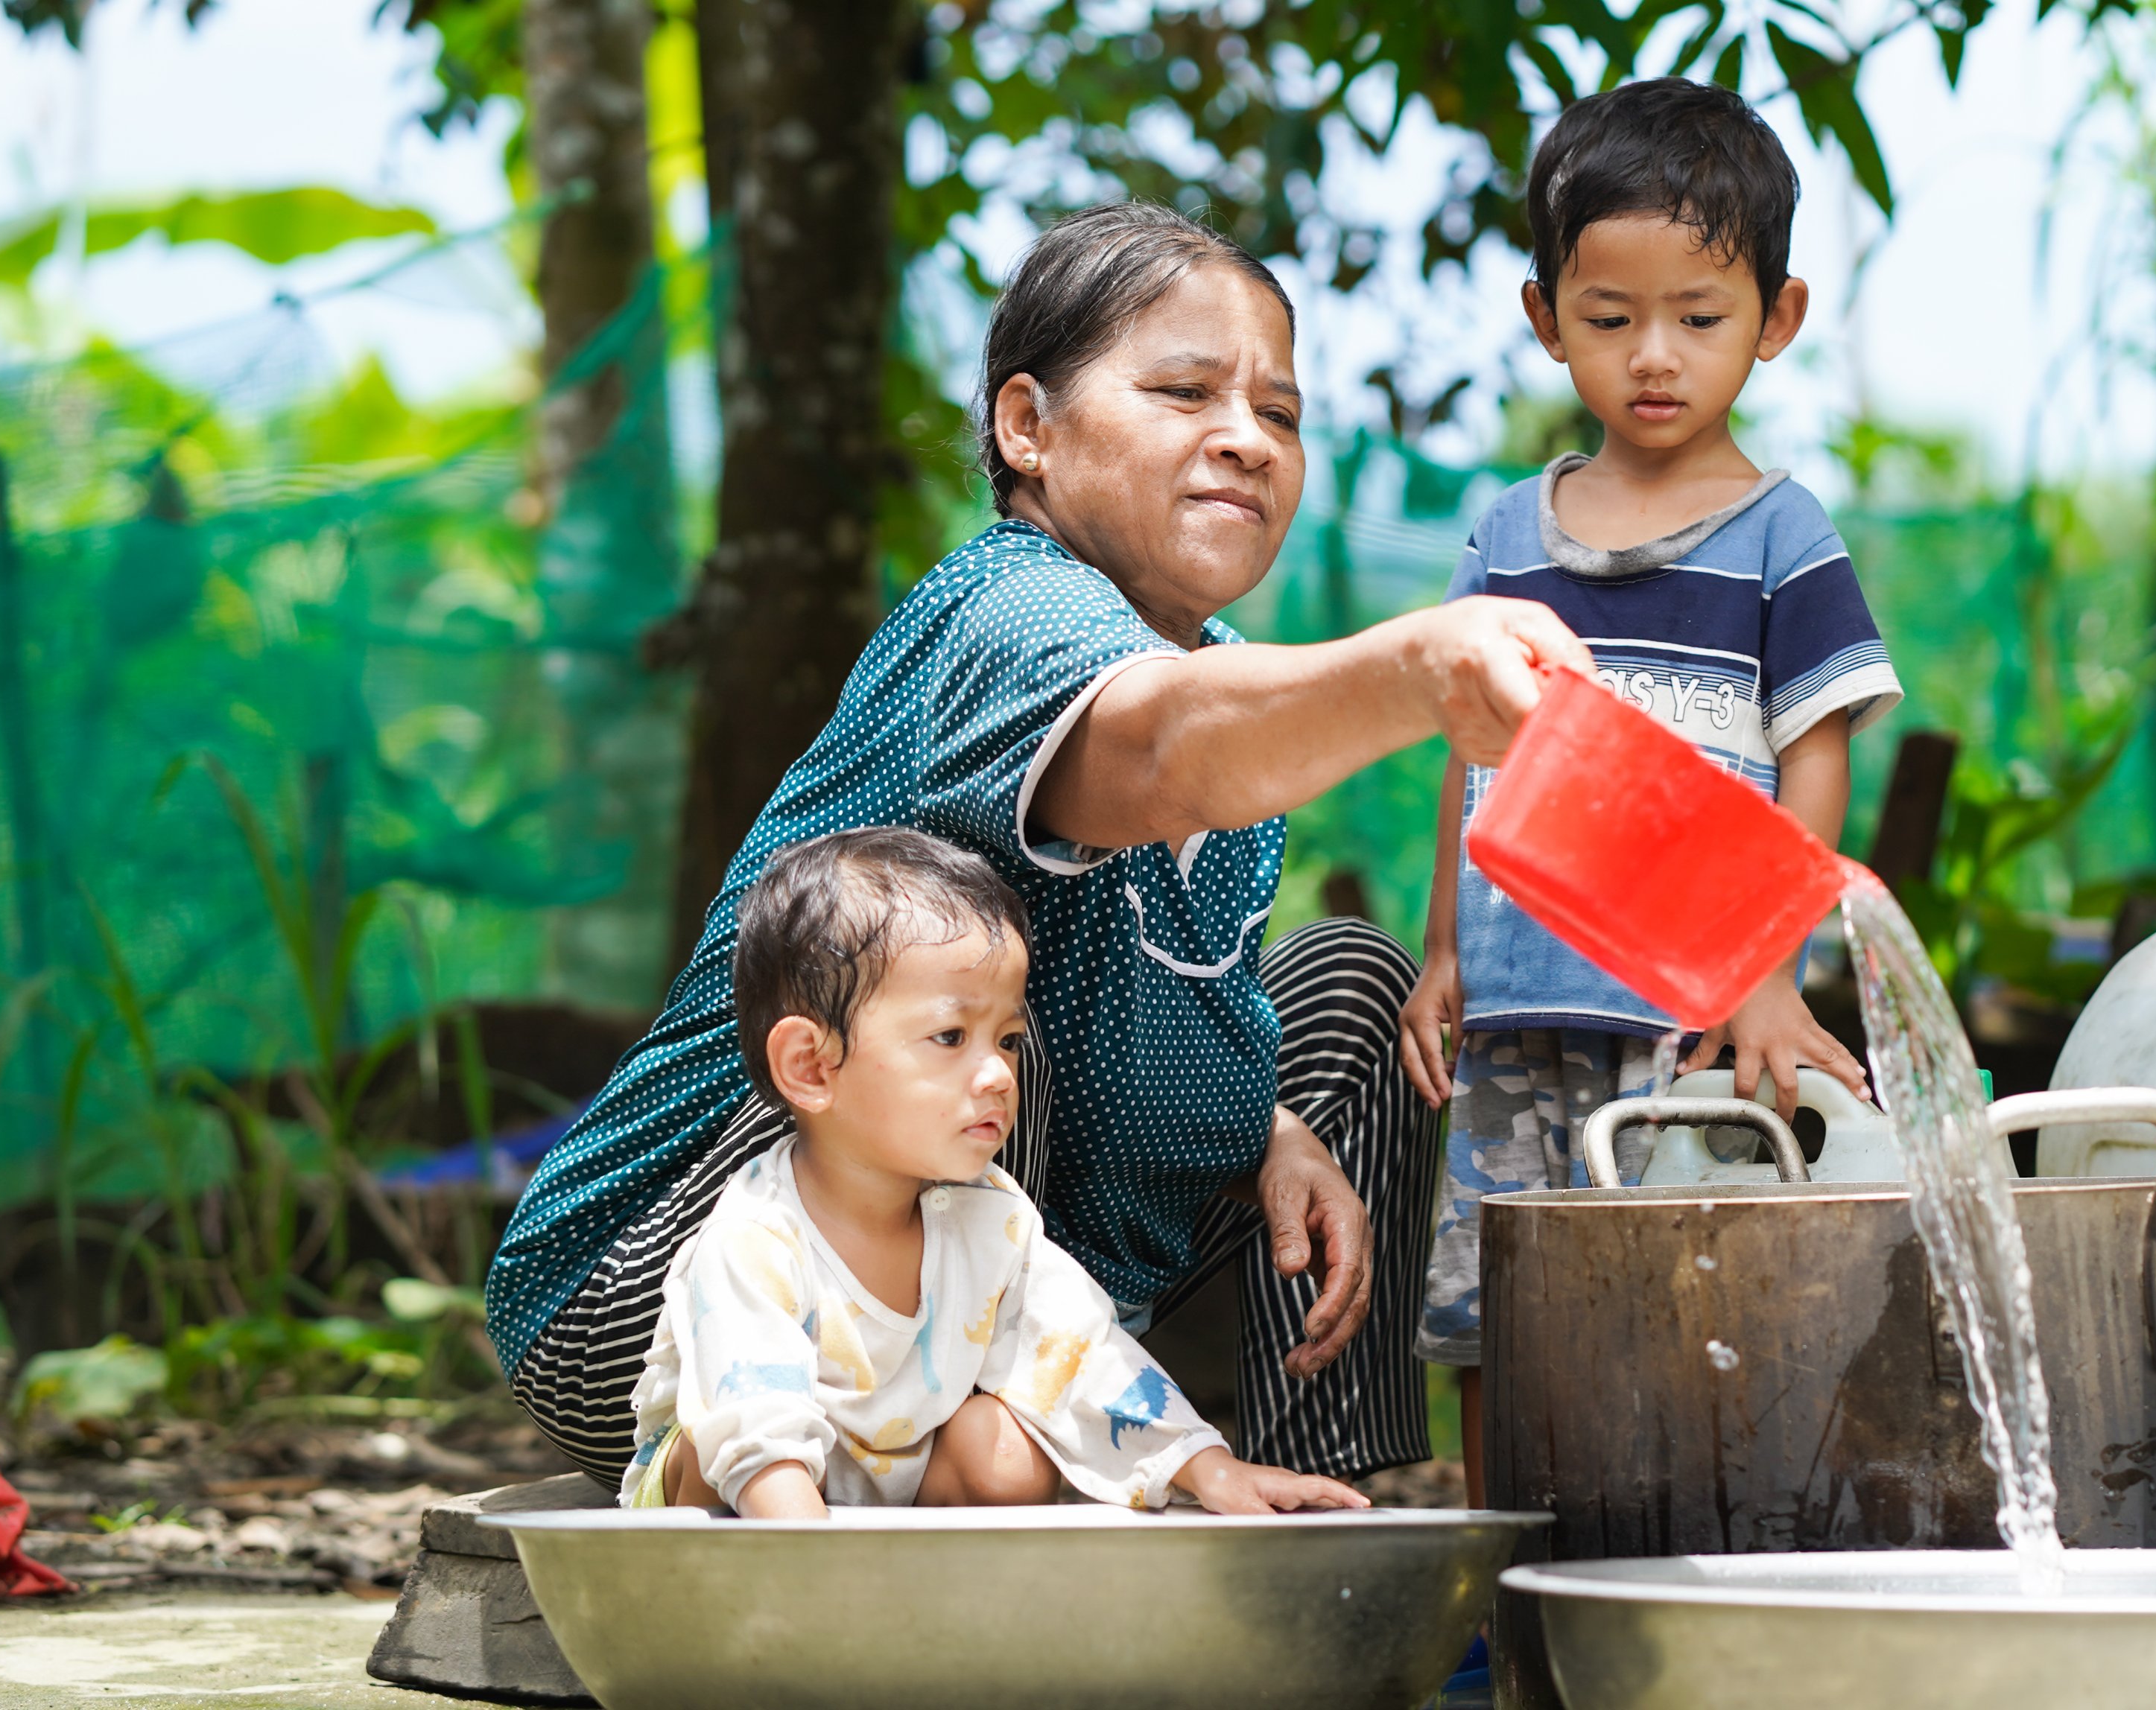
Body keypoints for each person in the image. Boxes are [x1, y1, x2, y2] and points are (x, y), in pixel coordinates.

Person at [489, 202, 1596, 1493]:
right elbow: (1161, 747)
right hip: (654, 1291)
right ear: (1029, 428)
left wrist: (1268, 1126)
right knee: (977, 1018)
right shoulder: (1005, 608)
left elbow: (1168, 978)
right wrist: (1414, 670)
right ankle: (845, 1480)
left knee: (1351, 988)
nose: (1246, 439)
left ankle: (1312, 1506)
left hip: (1003, 1301)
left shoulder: (1235, 705)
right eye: (1184, 392)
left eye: (1280, 414)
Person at [1395, 79, 1906, 1475]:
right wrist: (1443, 951)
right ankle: (1498, 1572)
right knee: (1495, 1309)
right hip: (1513, 1013)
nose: (1655, 357)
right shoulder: (1507, 534)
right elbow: (1469, 753)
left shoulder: (1782, 537)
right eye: (1612, 320)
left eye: (1700, 316)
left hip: (1687, 1022)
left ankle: (1676, 1563)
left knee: (1688, 1310)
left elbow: (1814, 758)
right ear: (1547, 318)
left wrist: (1765, 973)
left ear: (1776, 319)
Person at [623, 828, 1363, 1516]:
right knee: (718, 1460)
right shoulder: (758, 1237)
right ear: (812, 1066)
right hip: (746, 1498)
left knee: (1008, 1455)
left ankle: (927, 1588)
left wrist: (1208, 1468)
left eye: (1007, 1040)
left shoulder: (989, 1219)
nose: (999, 1075)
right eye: (950, 1037)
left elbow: (1082, 1353)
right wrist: (827, 1577)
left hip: (885, 1491)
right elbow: (754, 1430)